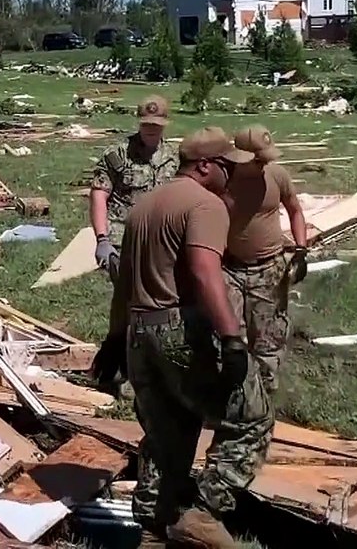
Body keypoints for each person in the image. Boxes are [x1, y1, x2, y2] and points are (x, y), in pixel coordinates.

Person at [118, 127, 273, 548]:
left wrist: (115, 340)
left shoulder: (143, 205)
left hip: (139, 330)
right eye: (226, 167)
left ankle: (153, 529)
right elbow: (206, 273)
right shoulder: (205, 204)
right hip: (179, 327)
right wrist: (232, 337)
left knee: (168, 433)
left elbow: (123, 282)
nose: (231, 175)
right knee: (251, 419)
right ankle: (204, 512)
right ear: (205, 166)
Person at [89, 95, 179, 391]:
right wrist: (102, 239)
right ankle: (117, 365)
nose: (151, 130)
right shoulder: (118, 154)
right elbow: (99, 194)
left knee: (159, 303)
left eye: (157, 125)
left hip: (161, 242)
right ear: (139, 121)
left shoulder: (174, 157)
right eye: (147, 124)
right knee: (127, 302)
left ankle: (153, 364)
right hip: (122, 239)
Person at [223, 125, 308, 395]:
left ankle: (265, 397)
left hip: (269, 269)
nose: (264, 165)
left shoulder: (277, 176)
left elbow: (295, 210)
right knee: (228, 335)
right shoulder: (222, 179)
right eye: (258, 160)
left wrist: (301, 250)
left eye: (266, 159)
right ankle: (232, 395)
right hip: (229, 268)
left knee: (268, 339)